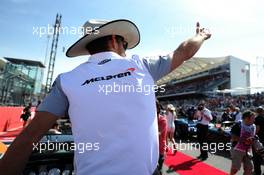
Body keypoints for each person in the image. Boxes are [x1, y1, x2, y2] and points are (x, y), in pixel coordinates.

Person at [0, 19, 211, 175]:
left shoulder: (67, 80)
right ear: (113, 40)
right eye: (125, 45)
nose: (126, 50)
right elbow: (184, 52)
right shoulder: (141, 66)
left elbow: (29, 137)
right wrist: (201, 35)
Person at [230, 111, 256, 175]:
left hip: (248, 150)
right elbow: (233, 137)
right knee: (235, 168)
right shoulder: (238, 125)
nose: (254, 120)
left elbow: (253, 137)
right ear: (247, 118)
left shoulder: (253, 126)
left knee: (249, 168)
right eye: (253, 118)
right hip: (237, 149)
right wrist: (245, 140)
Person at [156, 100, 167, 174]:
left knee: (159, 170)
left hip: (159, 147)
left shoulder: (162, 120)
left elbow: (158, 133)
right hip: (150, 148)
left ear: (158, 108)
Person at [253, 106, 264, 175]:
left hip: (259, 139)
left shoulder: (257, 119)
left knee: (257, 157)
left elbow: (257, 129)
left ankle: (257, 172)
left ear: (257, 112)